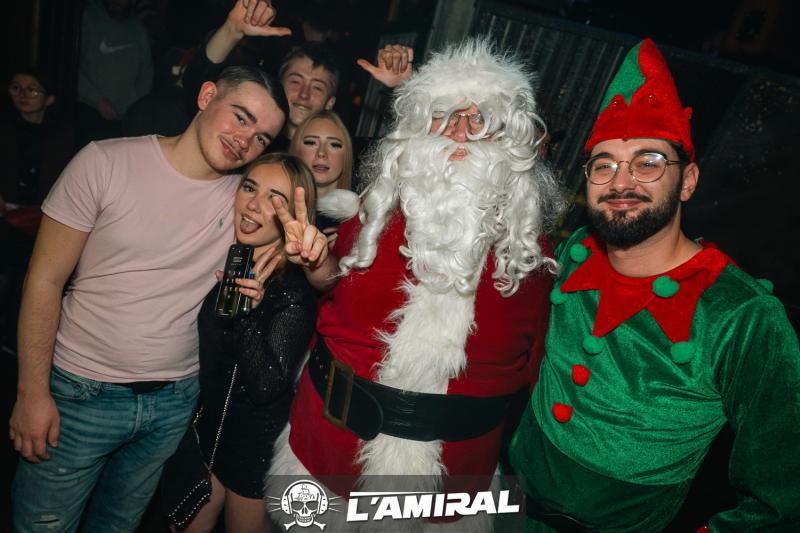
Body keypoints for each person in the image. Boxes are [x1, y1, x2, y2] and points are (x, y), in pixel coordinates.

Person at [267, 38, 564, 531]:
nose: (461, 132)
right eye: (444, 116)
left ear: (508, 135)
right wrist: (314, 263)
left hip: (452, 480)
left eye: (480, 118)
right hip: (331, 454)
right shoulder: (376, 213)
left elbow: (534, 365)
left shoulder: (531, 248)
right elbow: (332, 284)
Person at [509, 39, 800, 532]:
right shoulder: (576, 251)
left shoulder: (742, 316)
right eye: (604, 164)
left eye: (648, 162)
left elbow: (783, 499)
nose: (621, 182)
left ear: (688, 181)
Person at [9, 65, 287, 533]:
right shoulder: (105, 162)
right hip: (80, 393)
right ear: (206, 96)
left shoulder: (245, 199)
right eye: (241, 117)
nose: (245, 140)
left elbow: (309, 231)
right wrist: (31, 392)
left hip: (174, 403)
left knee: (118, 526)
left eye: (261, 137)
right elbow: (43, 281)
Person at [161, 153, 318, 532]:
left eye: (275, 199)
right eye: (249, 187)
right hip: (206, 436)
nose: (253, 204)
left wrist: (246, 314)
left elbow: (266, 384)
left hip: (254, 452)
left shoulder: (293, 289)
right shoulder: (233, 262)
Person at [183, 0, 414, 149]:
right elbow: (197, 84)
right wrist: (231, 30)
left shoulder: (341, 155)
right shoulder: (248, 142)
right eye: (295, 81)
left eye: (317, 87)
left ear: (330, 102)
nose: (304, 95)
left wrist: (406, 88)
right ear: (278, 84)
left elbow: (406, 151)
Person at [77, 0, 154, 145]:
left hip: (126, 121)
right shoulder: (87, 19)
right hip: (90, 113)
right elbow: (74, 68)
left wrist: (136, 107)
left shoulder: (137, 29)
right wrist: (98, 100)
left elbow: (146, 72)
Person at [289, 109, 354, 238]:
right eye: (311, 142)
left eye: (334, 145)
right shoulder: (272, 207)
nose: (321, 153)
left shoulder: (361, 220)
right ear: (297, 150)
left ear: (346, 156)